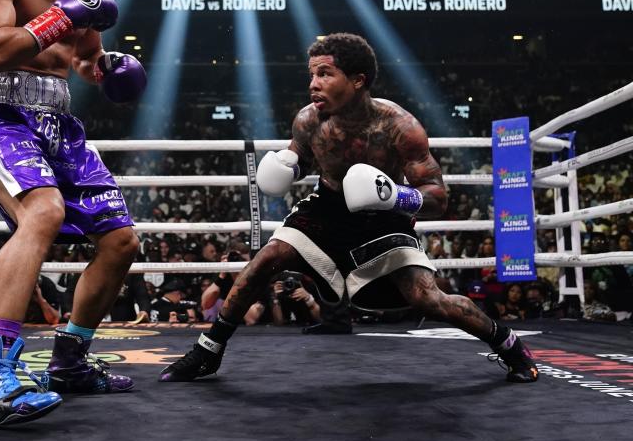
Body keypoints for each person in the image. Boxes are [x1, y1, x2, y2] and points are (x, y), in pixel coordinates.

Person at [160, 33, 538, 385]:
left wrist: (395, 196)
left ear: (358, 80)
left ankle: (508, 345)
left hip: (385, 216)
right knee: (266, 259)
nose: (313, 84)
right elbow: (304, 159)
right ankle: (207, 351)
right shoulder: (309, 120)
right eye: (312, 74)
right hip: (327, 208)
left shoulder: (399, 127)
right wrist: (289, 165)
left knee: (427, 297)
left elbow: (438, 195)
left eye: (325, 74)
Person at [0, 0, 145, 427]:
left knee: (120, 241)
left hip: (60, 120)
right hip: (3, 112)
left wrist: (112, 69)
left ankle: (68, 361)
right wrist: (63, 13)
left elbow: (85, 59)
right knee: (43, 212)